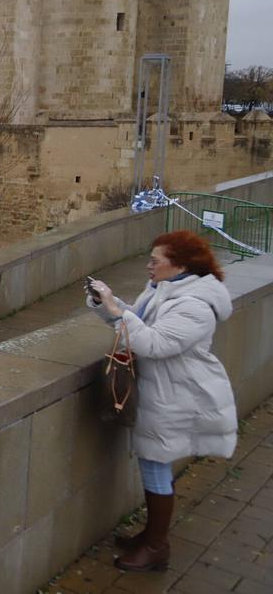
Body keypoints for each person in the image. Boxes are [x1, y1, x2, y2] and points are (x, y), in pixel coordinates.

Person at [86, 230, 236, 573]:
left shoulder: (196, 304)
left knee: (156, 461)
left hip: (178, 393)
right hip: (163, 389)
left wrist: (116, 308)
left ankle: (156, 547)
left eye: (156, 261)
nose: (149, 266)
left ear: (180, 265)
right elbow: (135, 324)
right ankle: (150, 537)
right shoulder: (166, 289)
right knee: (153, 461)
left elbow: (154, 343)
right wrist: (105, 303)